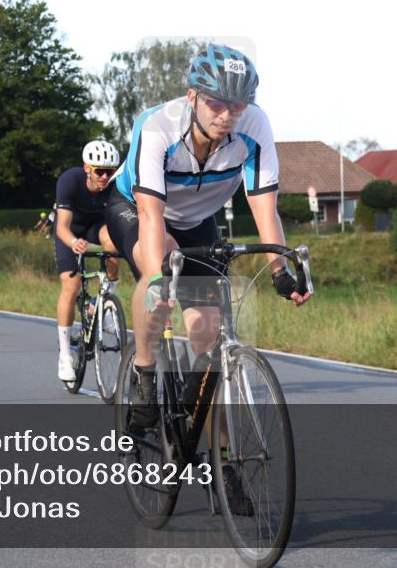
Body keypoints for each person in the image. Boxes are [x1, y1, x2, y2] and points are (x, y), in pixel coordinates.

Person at [104, 43, 312, 512]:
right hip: (138, 211)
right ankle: (142, 372)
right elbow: (152, 217)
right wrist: (159, 278)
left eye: (237, 105)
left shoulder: (254, 126)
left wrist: (281, 270)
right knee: (160, 277)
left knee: (209, 337)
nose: (227, 115)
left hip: (200, 220)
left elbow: (264, 206)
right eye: (217, 103)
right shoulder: (157, 127)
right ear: (192, 95)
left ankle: (221, 465)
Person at [53, 141, 121, 382]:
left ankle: (103, 302)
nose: (105, 177)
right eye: (99, 171)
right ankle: (65, 353)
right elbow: (61, 226)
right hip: (70, 231)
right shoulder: (69, 181)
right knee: (71, 286)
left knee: (114, 243)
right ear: (86, 168)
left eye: (110, 172)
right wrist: (72, 242)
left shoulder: (115, 185)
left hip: (96, 227)